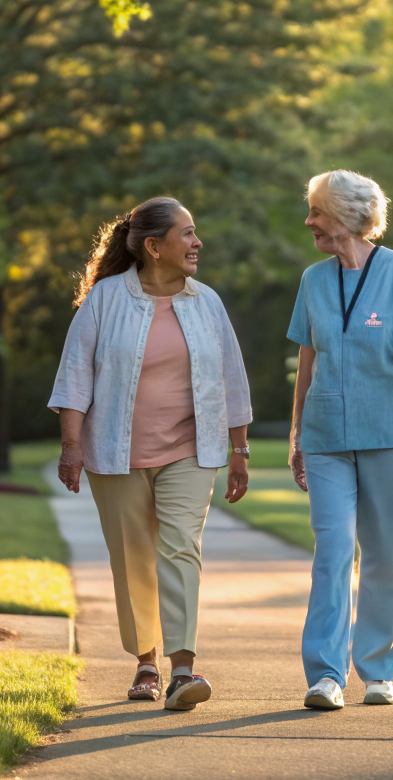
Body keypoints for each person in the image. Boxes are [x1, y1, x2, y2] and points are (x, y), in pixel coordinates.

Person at [50, 196, 253, 711]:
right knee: (133, 557)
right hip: (115, 452)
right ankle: (146, 663)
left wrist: (240, 449)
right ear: (154, 247)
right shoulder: (105, 299)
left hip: (191, 448)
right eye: (187, 234)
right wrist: (71, 447)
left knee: (181, 547)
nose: (197, 242)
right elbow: (75, 375)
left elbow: (232, 378)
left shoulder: (207, 302)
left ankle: (183, 670)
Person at [287, 169, 393, 710]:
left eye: (317, 212)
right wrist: (296, 434)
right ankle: (326, 676)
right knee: (332, 551)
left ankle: (378, 671)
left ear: (347, 216)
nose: (309, 221)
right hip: (325, 436)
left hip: (389, 435)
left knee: (384, 554)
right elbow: (306, 362)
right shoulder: (313, 280)